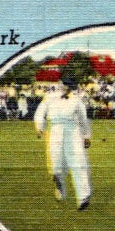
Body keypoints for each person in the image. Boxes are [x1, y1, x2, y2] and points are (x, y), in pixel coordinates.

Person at [34, 76, 92, 210]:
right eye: (66, 85)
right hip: (55, 131)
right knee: (56, 167)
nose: (67, 88)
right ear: (61, 85)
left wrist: (86, 136)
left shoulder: (77, 100)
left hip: (73, 131)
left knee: (79, 163)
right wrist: (39, 127)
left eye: (70, 86)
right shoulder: (49, 97)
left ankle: (83, 196)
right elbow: (39, 113)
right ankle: (59, 186)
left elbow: (83, 119)